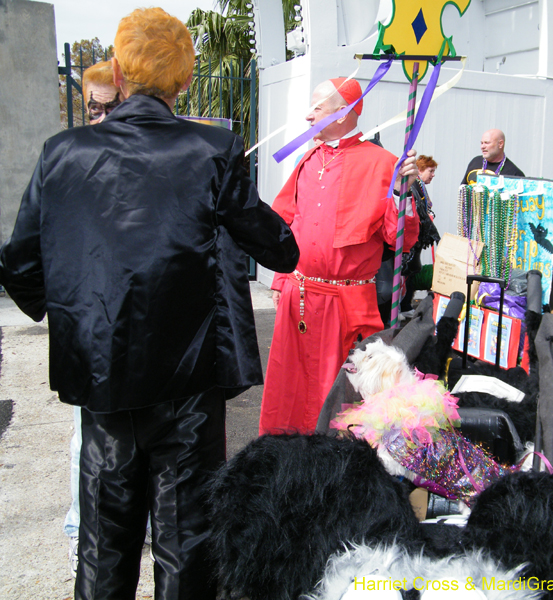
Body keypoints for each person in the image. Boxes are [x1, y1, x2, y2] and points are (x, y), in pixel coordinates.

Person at [0, 8, 299, 599]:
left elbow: (20, 264)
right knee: (187, 540)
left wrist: (77, 310)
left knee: (103, 540)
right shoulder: (213, 148)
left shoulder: (62, 152)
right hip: (187, 378)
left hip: (104, 376)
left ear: (117, 69)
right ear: (184, 81)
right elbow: (277, 248)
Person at [259, 77, 421, 436]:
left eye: (317, 107)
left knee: (339, 397)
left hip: (344, 304)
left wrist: (402, 196)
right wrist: (281, 279)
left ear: (344, 111)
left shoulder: (383, 164)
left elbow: (402, 237)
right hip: (299, 298)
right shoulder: (309, 157)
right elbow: (285, 221)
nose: (308, 115)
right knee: (290, 389)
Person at [62, 60, 123, 579]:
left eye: (111, 107)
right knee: (94, 458)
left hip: (143, 338)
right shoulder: (72, 158)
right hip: (92, 333)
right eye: (93, 109)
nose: (101, 119)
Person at [399, 155, 440, 316]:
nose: (433, 174)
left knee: (412, 270)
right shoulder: (414, 186)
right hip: (411, 238)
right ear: (420, 170)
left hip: (416, 237)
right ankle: (401, 305)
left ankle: (406, 304)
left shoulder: (420, 187)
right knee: (406, 271)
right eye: (431, 171)